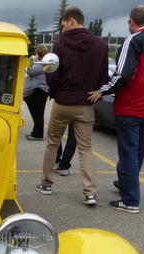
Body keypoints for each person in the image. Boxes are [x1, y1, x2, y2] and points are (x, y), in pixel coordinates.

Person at [88, 5, 144, 213]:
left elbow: (122, 74)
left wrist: (103, 90)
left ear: (132, 22)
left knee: (127, 153)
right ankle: (128, 184)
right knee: (138, 151)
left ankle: (130, 200)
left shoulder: (133, 40)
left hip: (131, 106)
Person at [35, 6, 108, 206]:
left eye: (63, 24)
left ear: (72, 20)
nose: (62, 28)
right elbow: (104, 76)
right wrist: (100, 92)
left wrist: (54, 91)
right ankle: (90, 192)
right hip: (85, 104)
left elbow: (53, 72)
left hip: (63, 103)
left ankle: (47, 184)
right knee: (85, 149)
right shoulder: (101, 45)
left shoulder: (62, 43)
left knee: (52, 143)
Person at [24, 45, 50, 141]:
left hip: (38, 91)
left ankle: (38, 135)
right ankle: (35, 132)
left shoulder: (42, 63)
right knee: (38, 114)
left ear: (38, 53)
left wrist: (30, 62)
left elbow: (30, 71)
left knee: (37, 114)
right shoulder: (45, 62)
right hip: (40, 90)